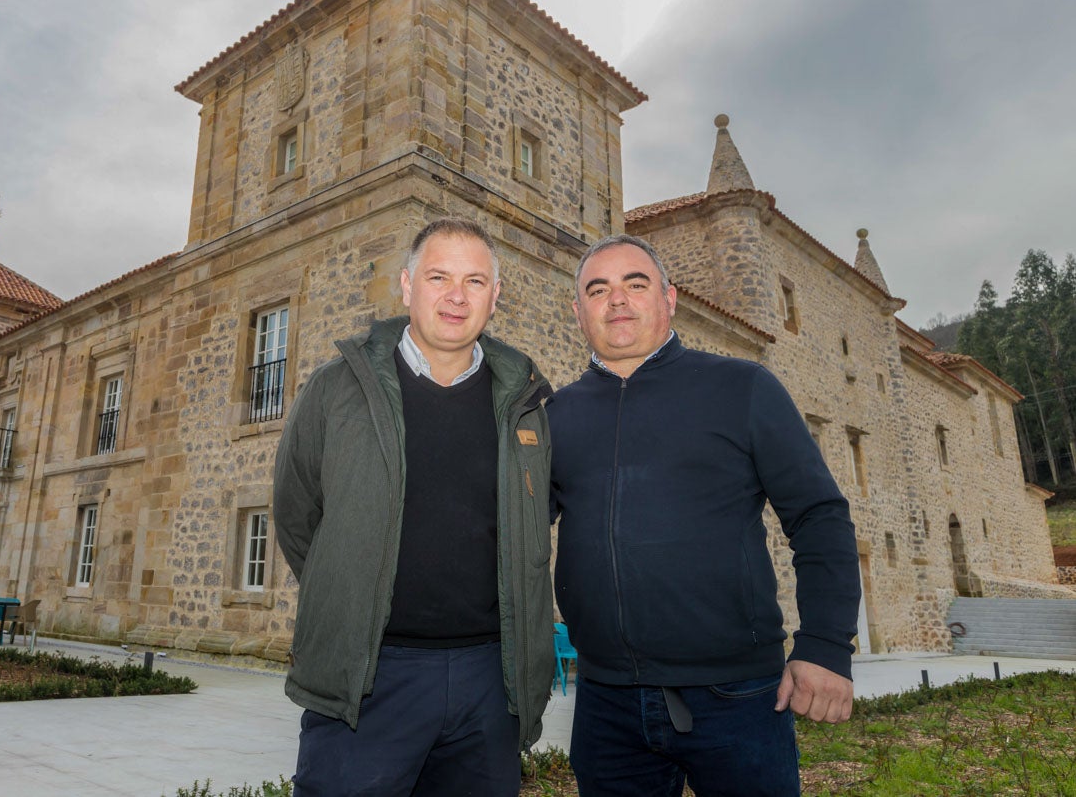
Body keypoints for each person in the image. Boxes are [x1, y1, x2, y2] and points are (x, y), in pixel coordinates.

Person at [549, 233, 860, 796]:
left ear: (669, 299)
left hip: (737, 697)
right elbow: (509, 528)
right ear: (578, 312)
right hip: (606, 704)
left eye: (635, 284)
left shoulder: (742, 387)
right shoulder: (556, 416)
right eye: (598, 289)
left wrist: (826, 646)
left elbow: (819, 516)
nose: (617, 300)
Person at [273, 217, 556, 797]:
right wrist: (354, 595)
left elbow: (537, 517)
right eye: (439, 277)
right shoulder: (333, 390)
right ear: (406, 286)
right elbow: (296, 515)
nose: (456, 296)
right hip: (370, 678)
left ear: (494, 296)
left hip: (489, 681)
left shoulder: (527, 404)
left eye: (475, 281)